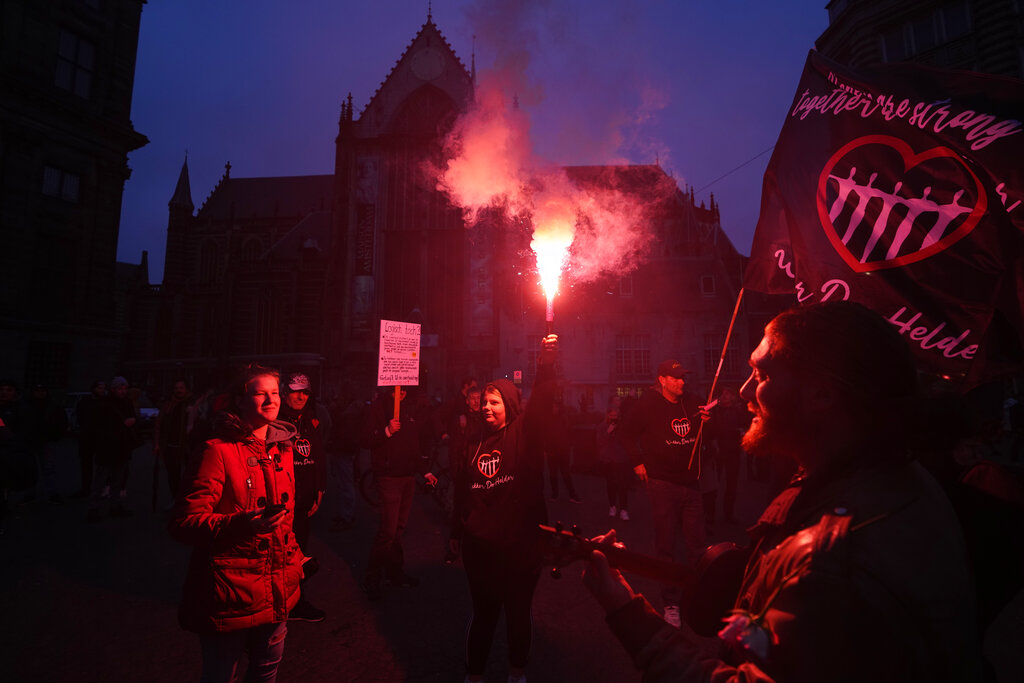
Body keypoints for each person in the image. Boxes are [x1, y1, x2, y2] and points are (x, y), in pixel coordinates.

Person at [584, 301, 980, 683]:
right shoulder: (885, 474)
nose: (744, 391)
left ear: (821, 395)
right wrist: (750, 596)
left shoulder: (831, 560)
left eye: (762, 375)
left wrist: (625, 609)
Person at [168, 363, 303, 683]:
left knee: (266, 672)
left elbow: (286, 522)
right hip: (232, 594)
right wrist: (243, 525)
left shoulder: (283, 448)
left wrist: (297, 559)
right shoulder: (217, 451)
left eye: (275, 393)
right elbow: (184, 522)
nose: (271, 400)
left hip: (278, 588)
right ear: (239, 400)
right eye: (260, 393)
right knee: (221, 675)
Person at [449, 334, 559, 683]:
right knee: (483, 614)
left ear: (509, 405)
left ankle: (517, 674)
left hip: (520, 547)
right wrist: (456, 531)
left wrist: (546, 364)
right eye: (483, 401)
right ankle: (474, 676)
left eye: (494, 402)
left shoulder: (526, 434)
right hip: (480, 548)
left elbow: (541, 402)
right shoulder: (472, 443)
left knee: (517, 613)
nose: (486, 407)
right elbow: (462, 492)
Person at [619, 359, 711, 628]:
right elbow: (625, 433)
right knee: (666, 544)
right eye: (676, 377)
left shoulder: (692, 401)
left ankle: (700, 595)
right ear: (662, 380)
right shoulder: (647, 404)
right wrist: (637, 462)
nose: (682, 382)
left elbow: (708, 433)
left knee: (698, 544)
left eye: (683, 377)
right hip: (662, 484)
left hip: (691, 483)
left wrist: (707, 421)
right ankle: (671, 602)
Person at [361, 386, 437, 600]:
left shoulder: (408, 409)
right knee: (388, 531)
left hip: (408, 477)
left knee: (398, 529)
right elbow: (365, 439)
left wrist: (425, 471)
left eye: (405, 386)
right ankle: (372, 578)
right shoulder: (378, 408)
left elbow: (413, 446)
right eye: (398, 386)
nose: (402, 390)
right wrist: (386, 431)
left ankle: (394, 572)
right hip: (389, 478)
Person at [277, 372, 331, 623]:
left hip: (304, 499)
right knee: (280, 554)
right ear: (285, 392)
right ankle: (279, 604)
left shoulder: (310, 419)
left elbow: (317, 454)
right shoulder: (275, 421)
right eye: (295, 391)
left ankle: (295, 601)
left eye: (305, 392)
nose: (300, 397)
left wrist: (320, 487)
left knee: (299, 552)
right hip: (281, 500)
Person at [87, 376, 138, 520]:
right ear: (113, 389)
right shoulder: (104, 404)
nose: (123, 391)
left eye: (124, 388)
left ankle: (114, 505)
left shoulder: (126, 403)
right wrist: (124, 425)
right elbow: (100, 426)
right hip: (107, 447)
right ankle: (94, 508)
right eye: (120, 388)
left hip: (121, 446)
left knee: (117, 479)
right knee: (101, 479)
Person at [704, 387, 749, 525]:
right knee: (712, 485)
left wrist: (742, 433)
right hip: (717, 451)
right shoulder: (714, 410)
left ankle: (728, 514)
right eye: (722, 394)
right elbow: (709, 428)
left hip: (733, 451)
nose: (724, 396)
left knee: (731, 485)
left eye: (728, 394)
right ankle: (709, 515)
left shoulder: (738, 410)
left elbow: (745, 424)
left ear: (733, 397)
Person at [23, 384, 68, 504]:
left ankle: (51, 493)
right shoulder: (27, 406)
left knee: (48, 468)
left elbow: (62, 421)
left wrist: (57, 434)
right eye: (37, 390)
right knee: (32, 468)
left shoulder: (52, 406)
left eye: (42, 390)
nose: (40, 393)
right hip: (31, 440)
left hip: (47, 440)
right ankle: (31, 493)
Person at [153, 379, 194, 503]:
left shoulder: (191, 404)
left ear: (186, 389)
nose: (178, 390)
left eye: (181, 388)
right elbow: (159, 424)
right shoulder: (168, 405)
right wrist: (157, 443)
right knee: (173, 475)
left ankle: (186, 501)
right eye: (176, 388)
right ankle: (175, 499)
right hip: (170, 445)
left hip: (186, 446)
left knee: (189, 475)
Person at [596, 405, 632, 521]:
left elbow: (627, 441)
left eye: (615, 415)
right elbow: (599, 442)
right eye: (611, 415)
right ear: (607, 415)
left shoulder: (623, 426)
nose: (613, 417)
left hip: (621, 460)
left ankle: (624, 509)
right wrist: (608, 431)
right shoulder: (602, 426)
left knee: (622, 485)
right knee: (610, 485)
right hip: (608, 460)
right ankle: (612, 506)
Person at [74, 380, 107, 498]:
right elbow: (79, 416)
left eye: (103, 388)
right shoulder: (85, 402)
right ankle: (86, 488)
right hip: (87, 437)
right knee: (86, 464)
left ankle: (99, 488)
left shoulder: (106, 402)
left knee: (101, 465)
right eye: (100, 388)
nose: (102, 390)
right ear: (93, 389)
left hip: (100, 438)